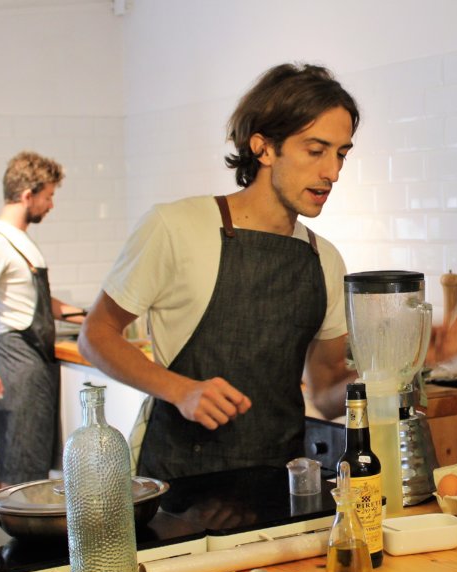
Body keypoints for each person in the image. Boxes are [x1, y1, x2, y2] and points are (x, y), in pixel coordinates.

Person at [79, 63, 358, 482]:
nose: (332, 173)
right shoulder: (176, 226)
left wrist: (394, 369)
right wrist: (181, 390)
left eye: (341, 154)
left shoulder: (325, 260)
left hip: (278, 485)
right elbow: (95, 336)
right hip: (175, 484)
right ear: (263, 148)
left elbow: (327, 390)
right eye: (315, 151)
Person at [0, 151, 86, 493]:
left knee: (18, 458)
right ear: (28, 195)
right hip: (16, 361)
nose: (51, 205)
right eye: (49, 196)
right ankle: (1, 540)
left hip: (34, 364)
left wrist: (89, 317)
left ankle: (0, 535)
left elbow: (40, 300)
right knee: (17, 467)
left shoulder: (19, 242)